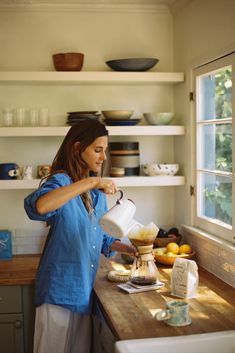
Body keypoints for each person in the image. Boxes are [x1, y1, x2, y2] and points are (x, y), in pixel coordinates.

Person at [24, 119, 136, 353]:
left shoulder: (96, 196)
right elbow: (40, 207)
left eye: (104, 150)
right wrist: (92, 181)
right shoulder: (61, 182)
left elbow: (103, 238)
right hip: (58, 293)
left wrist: (132, 249)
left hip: (84, 295)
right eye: (97, 150)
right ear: (77, 148)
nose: (103, 157)